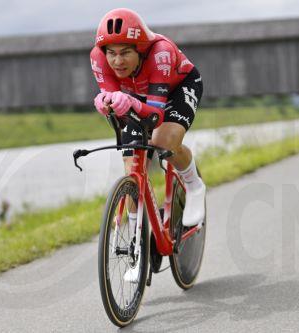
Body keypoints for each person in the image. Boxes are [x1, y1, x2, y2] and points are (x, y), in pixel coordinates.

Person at [89, 8, 206, 277]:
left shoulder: (160, 53)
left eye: (125, 52)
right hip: (136, 96)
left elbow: (155, 115)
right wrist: (106, 102)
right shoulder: (98, 58)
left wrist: (129, 101)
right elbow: (111, 96)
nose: (117, 61)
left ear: (140, 50)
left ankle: (193, 184)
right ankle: (137, 247)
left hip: (175, 88)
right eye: (112, 53)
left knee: (163, 141)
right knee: (133, 170)